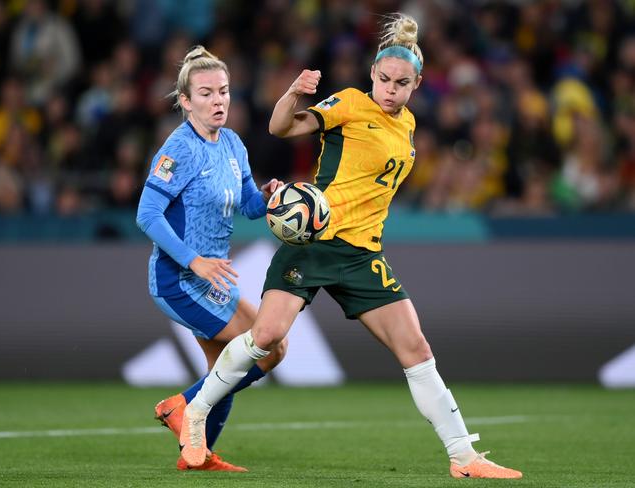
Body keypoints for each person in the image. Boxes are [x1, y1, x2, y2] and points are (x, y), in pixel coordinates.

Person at [178, 14, 523, 479]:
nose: (390, 90)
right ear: (372, 77)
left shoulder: (408, 126)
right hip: (314, 240)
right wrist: (294, 93)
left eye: (401, 83)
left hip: (363, 255)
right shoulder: (351, 104)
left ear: (416, 84)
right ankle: (195, 412)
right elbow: (282, 127)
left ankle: (463, 456)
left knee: (416, 348)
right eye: (383, 79)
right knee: (266, 337)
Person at [135, 45, 286, 472]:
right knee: (269, 347)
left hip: (213, 280)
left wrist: (269, 197)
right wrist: (193, 261)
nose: (218, 100)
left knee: (226, 369)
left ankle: (196, 454)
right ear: (186, 101)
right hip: (179, 280)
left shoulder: (233, 144)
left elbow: (249, 206)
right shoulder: (178, 148)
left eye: (223, 91)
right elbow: (147, 213)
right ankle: (180, 406)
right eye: (206, 93)